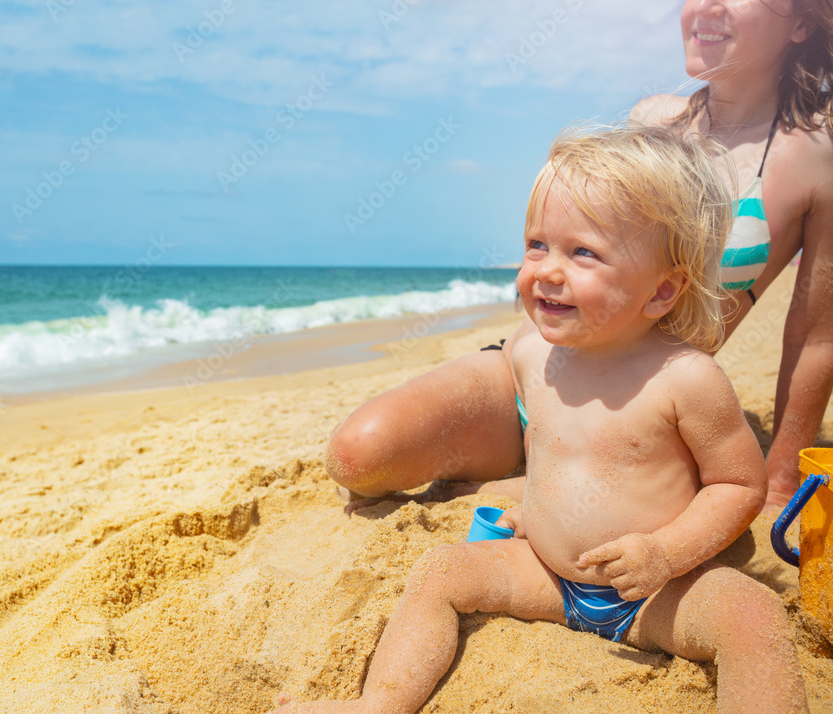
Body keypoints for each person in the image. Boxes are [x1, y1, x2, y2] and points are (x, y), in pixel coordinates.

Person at [277, 126, 808, 713]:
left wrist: (665, 552)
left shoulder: (685, 379)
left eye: (583, 253)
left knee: (751, 616)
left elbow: (738, 485)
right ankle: (376, 705)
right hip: (551, 579)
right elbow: (565, 453)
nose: (548, 271)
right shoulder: (533, 354)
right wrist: (535, 509)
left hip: (656, 592)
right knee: (442, 571)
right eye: (537, 245)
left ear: (661, 290)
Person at [326, 0, 833, 514]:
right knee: (359, 456)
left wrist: (781, 483)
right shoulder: (653, 120)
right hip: (534, 377)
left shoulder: (813, 158)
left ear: (802, 21)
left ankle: (534, 480)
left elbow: (816, 337)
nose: (705, 6)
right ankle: (526, 463)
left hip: (645, 418)